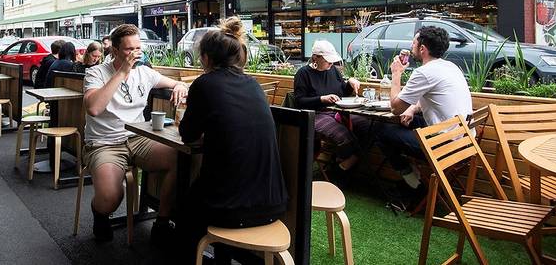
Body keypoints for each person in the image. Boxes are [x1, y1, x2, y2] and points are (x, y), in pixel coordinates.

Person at [177, 17, 287, 264]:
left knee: (185, 211)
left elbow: (188, 134)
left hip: (231, 208)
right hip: (274, 203)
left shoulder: (204, 84)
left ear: (206, 58)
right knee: (214, 188)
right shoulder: (254, 85)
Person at [83, 24, 187, 243]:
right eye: (130, 49)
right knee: (111, 198)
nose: (135, 54)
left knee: (180, 159)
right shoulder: (96, 72)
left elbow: (176, 82)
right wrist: (121, 73)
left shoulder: (145, 73)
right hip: (104, 143)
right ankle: (99, 213)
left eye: (138, 48)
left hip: (139, 138)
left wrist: (179, 85)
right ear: (115, 51)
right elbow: (93, 108)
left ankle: (161, 222)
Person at [387, 25, 472, 189]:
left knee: (382, 131)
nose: (411, 48)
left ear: (423, 49)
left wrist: (396, 74)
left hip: (445, 145)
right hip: (465, 140)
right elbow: (434, 98)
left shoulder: (424, 72)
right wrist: (412, 109)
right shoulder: (450, 67)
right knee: (406, 122)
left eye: (413, 44)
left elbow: (395, 108)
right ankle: (415, 177)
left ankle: (415, 185)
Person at [293, 40, 364, 171]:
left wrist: (350, 83)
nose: (331, 63)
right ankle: (342, 168)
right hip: (315, 115)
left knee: (368, 125)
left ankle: (344, 163)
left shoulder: (333, 71)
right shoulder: (303, 74)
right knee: (342, 135)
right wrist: (321, 99)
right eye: (328, 60)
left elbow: (343, 92)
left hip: (337, 112)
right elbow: (299, 101)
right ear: (315, 57)